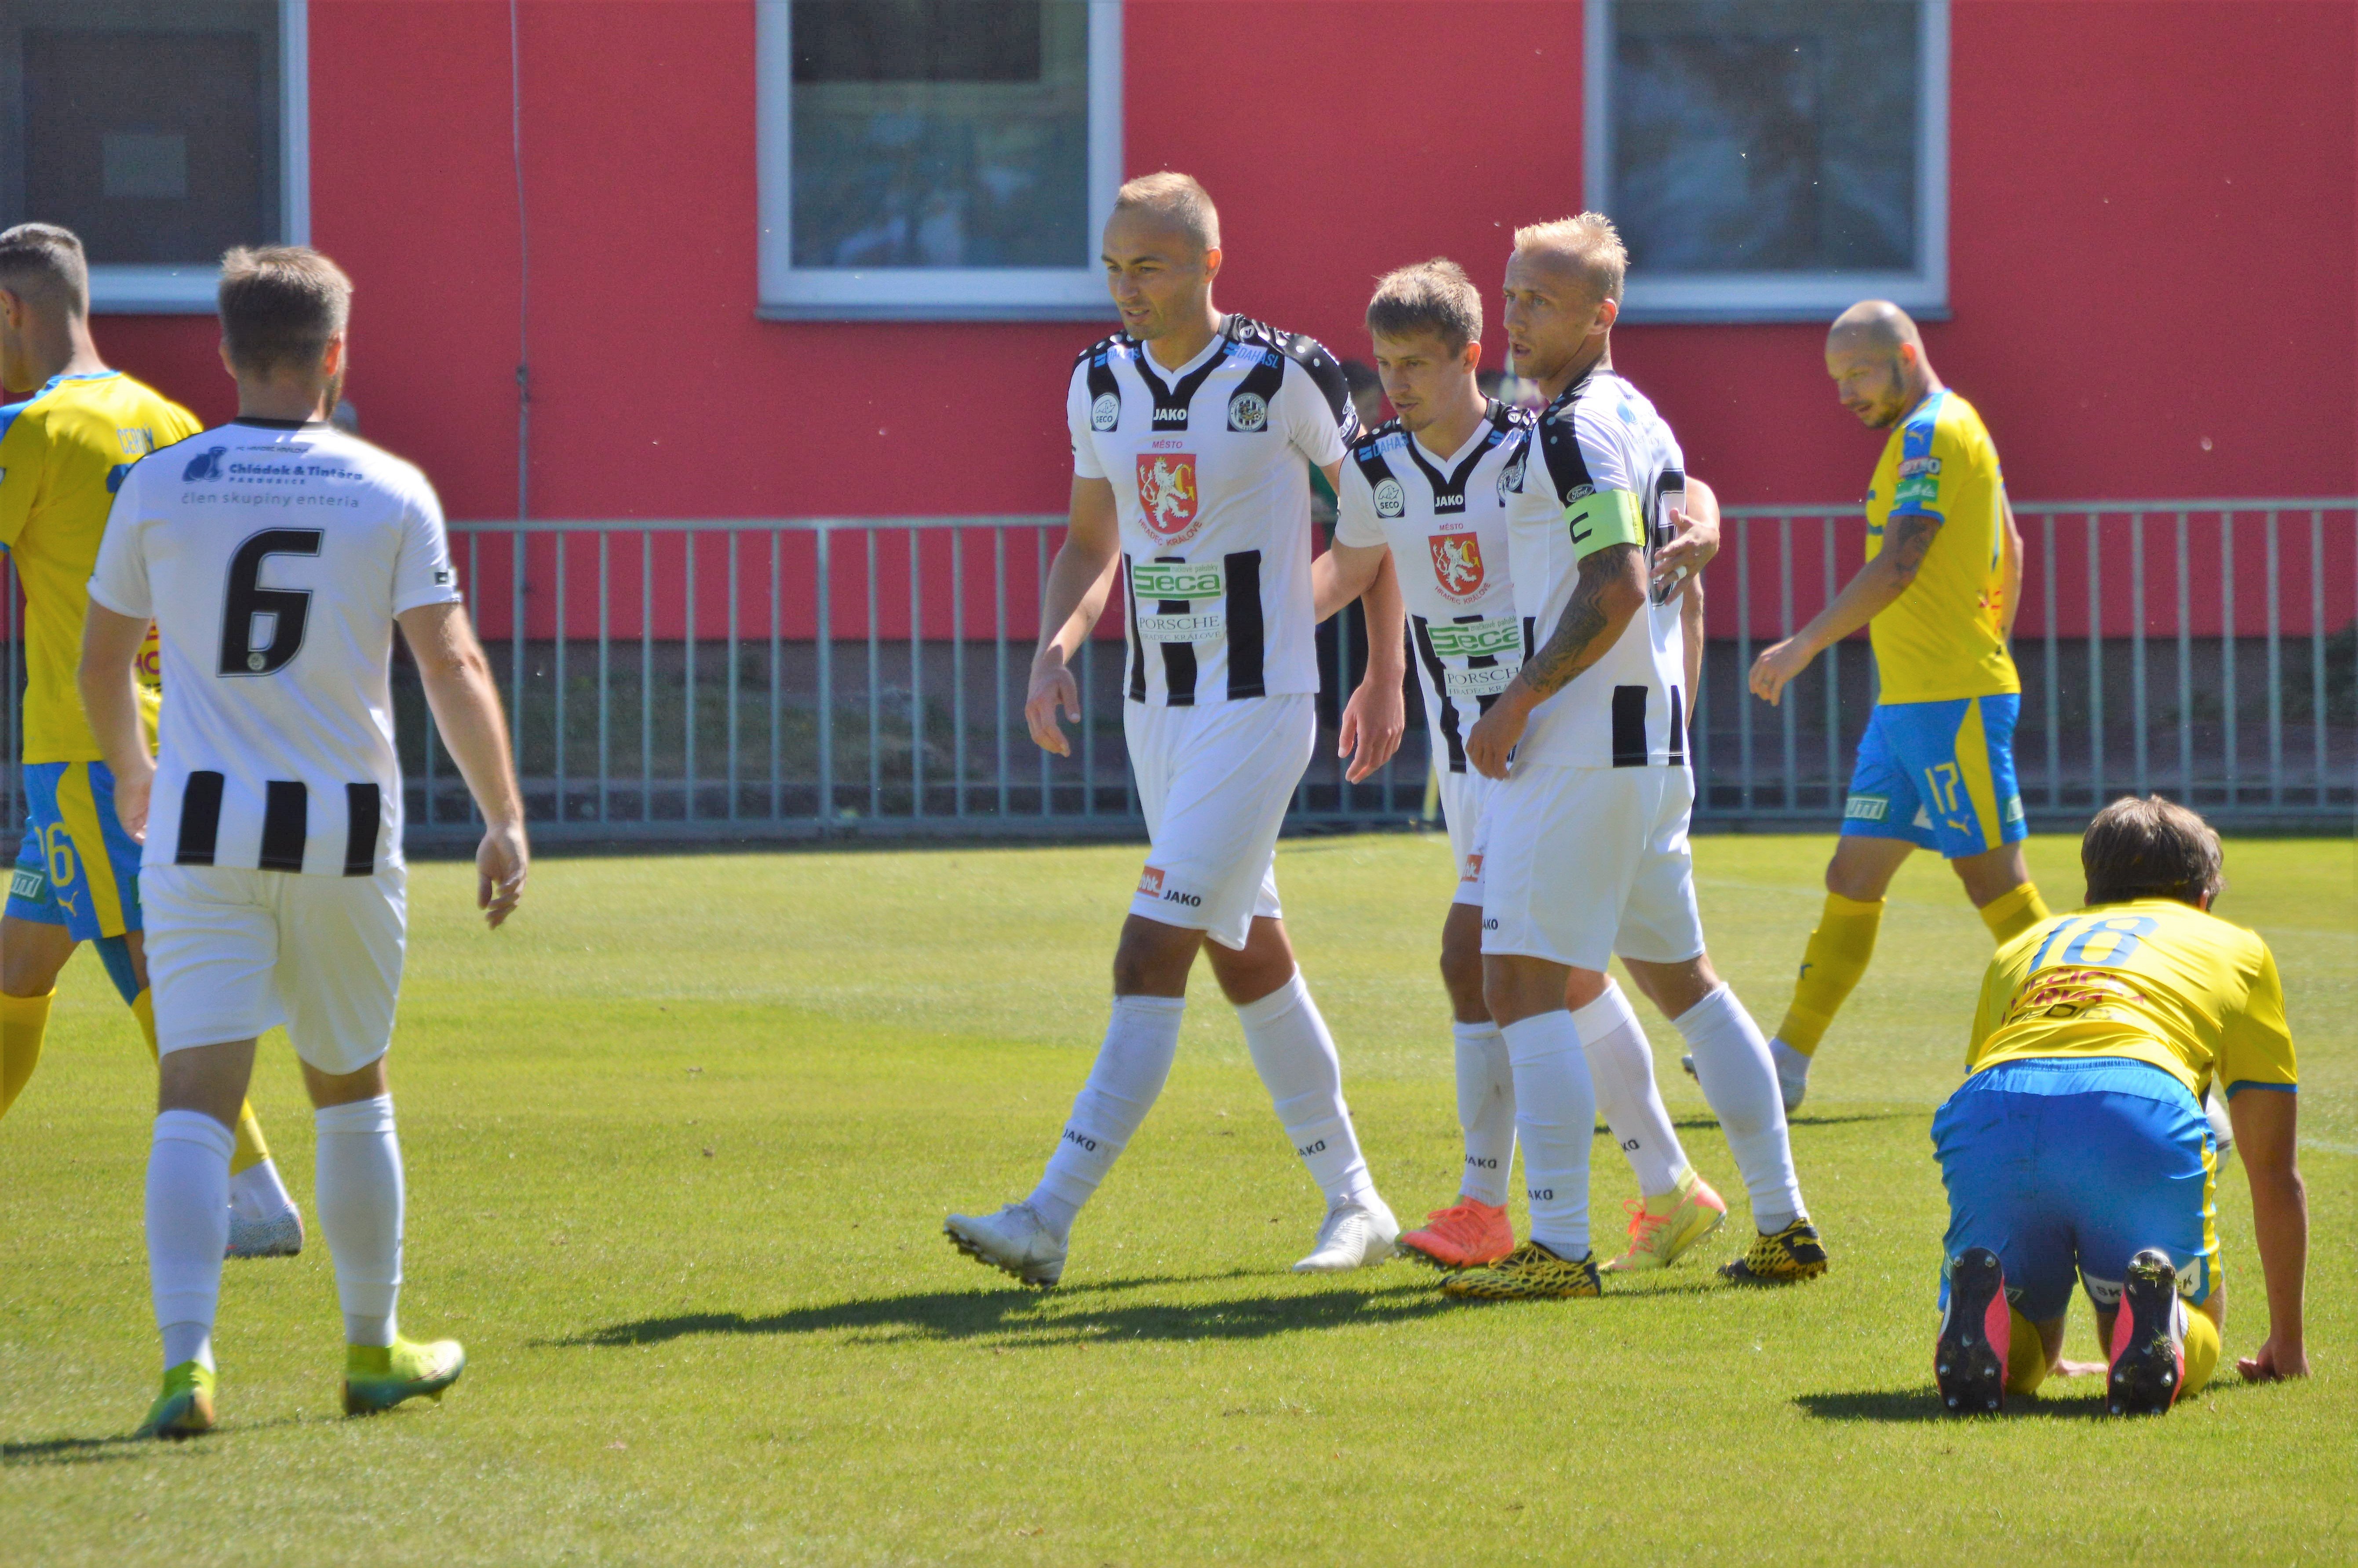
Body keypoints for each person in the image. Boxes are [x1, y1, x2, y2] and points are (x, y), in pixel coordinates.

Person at [80, 246, 528, 1439]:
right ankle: (373, 1347)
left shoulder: (160, 482)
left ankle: (186, 1366)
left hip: (199, 826)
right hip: (342, 832)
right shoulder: (388, 487)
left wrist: (133, 767)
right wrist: (502, 816)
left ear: (226, 352)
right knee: (350, 1086)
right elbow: (451, 661)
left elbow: (100, 660)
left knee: (194, 1095)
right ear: (337, 353)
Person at [944, 173, 1407, 1286]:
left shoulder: (1286, 371)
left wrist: (1382, 672)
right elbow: (1088, 541)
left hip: (1260, 707)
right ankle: (1359, 1202)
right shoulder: (1096, 380)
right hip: (1157, 708)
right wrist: (1055, 646)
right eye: (1113, 267)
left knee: (1149, 947)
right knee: (1248, 954)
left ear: (1208, 263)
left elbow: (1378, 516)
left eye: (1147, 266)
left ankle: (1049, 1215)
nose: (1126, 288)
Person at [1313, 257, 1738, 1274]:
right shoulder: (1376, 465)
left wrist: (1707, 523)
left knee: (1478, 958)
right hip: (1470, 749)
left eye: (1417, 364)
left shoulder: (1529, 441)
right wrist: (1362, 666)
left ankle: (1488, 1206)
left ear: (1469, 358)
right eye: (1384, 365)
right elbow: (1362, 563)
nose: (1397, 384)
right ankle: (1670, 1185)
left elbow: (1667, 489)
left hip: (1544, 739)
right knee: (1566, 972)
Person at [1446, 214, 1822, 1301]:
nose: (1516, 316)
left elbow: (1613, 579)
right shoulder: (1634, 412)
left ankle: (1560, 1248)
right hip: (1649, 748)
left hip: (1578, 751)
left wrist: (1518, 700)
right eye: (1512, 295)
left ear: (1601, 315)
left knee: (1520, 982)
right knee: (1686, 983)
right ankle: (1784, 1221)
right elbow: (1678, 521)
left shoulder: (1572, 428)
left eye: (1542, 300)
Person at [0, 222, 304, 1255]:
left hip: (86, 747)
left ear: (12, 311)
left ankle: (256, 1192)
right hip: (168, 732)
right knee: (21, 963)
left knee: (145, 960)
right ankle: (253, 1188)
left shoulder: (32, 430)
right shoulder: (170, 419)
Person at [1740, 301, 2048, 1113]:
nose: (1846, 393)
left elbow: (1901, 562)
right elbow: (2013, 547)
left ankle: (2136, 1056)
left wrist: (1803, 644)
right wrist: (1990, 638)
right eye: (1836, 379)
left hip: (1949, 702)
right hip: (1908, 705)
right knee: (1853, 874)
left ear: (1907, 357)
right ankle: (1786, 1063)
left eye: (1859, 373)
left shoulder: (1930, 434)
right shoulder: (1940, 428)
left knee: (1998, 890)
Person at [1933, 795, 2306, 1415]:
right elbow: (2275, 1172)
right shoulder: (2235, 947)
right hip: (2136, 1102)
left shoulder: (2022, 946)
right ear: (2203, 899)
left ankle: (1990, 1318)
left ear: (2091, 892)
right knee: (2155, 1326)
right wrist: (2287, 1343)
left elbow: (1996, 1076)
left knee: (2025, 1347)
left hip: (1993, 1105)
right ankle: (2174, 1323)